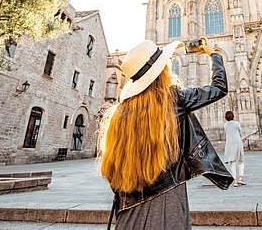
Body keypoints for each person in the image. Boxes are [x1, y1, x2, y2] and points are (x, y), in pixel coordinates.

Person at [99, 39, 234, 229]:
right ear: (161, 71)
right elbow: (219, 88)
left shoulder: (120, 114)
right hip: (168, 203)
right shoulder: (173, 99)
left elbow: (112, 169)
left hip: (128, 212)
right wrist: (214, 54)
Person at [224, 111, 246, 187]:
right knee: (241, 161)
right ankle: (241, 178)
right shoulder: (236, 124)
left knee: (232, 163)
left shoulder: (225, 125)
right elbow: (240, 132)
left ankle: (235, 181)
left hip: (229, 144)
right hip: (237, 143)